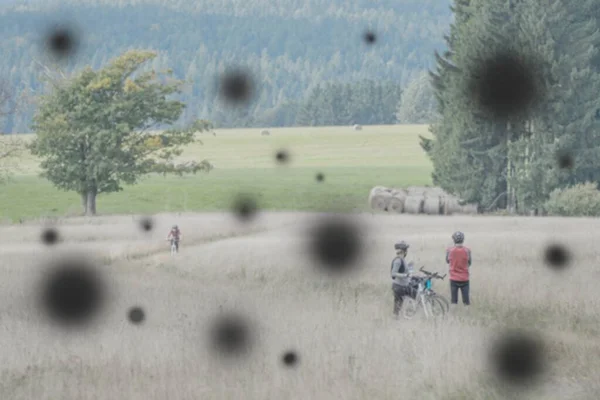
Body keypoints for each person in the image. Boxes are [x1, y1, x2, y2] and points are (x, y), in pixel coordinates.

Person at [391, 240, 416, 317]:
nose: (407, 252)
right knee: (398, 306)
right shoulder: (398, 260)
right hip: (399, 286)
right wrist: (405, 275)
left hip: (402, 285)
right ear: (404, 251)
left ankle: (400, 317)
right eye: (406, 250)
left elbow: (402, 269)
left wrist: (409, 266)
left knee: (398, 306)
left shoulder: (402, 259)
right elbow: (393, 273)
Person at [446, 231, 471, 306]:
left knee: (454, 301)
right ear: (463, 240)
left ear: (454, 240)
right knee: (466, 301)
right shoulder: (467, 250)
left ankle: (454, 316)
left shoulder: (449, 250)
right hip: (465, 278)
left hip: (453, 278)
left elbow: (447, 261)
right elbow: (469, 263)